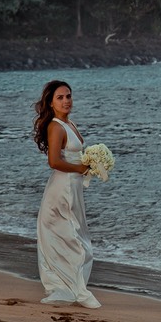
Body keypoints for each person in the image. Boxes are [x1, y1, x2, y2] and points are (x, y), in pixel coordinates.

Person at [32, 80, 101, 309]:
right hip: (61, 191)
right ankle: (75, 290)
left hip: (74, 189)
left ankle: (71, 286)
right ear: (51, 103)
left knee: (75, 237)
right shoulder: (56, 126)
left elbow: (74, 157)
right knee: (75, 241)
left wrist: (93, 163)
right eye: (60, 98)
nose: (66, 101)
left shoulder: (70, 123)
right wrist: (80, 168)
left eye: (68, 96)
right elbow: (54, 162)